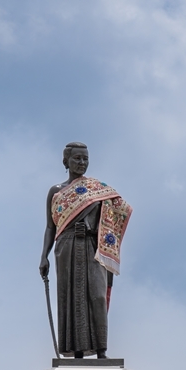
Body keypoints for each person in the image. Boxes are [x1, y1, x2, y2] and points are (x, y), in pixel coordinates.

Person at [39, 143, 133, 358]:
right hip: (66, 247)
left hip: (93, 248)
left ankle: (101, 351)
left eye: (85, 159)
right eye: (77, 159)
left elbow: (118, 214)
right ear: (66, 161)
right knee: (71, 297)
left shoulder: (98, 190)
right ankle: (76, 351)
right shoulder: (56, 191)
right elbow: (49, 227)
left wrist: (93, 228)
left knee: (96, 296)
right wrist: (43, 256)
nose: (82, 163)